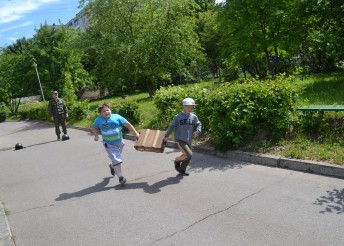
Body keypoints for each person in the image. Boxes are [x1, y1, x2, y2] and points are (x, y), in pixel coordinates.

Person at [92, 103, 140, 186]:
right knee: (116, 158)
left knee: (116, 158)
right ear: (100, 113)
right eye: (104, 111)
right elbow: (94, 127)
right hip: (108, 143)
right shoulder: (98, 120)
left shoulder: (116, 117)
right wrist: (96, 135)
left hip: (119, 142)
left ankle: (112, 165)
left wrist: (136, 134)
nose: (106, 112)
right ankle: (121, 177)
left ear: (110, 110)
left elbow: (127, 124)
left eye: (108, 110)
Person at [164, 98, 202, 176]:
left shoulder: (193, 117)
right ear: (184, 106)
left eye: (192, 107)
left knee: (189, 157)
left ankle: (182, 170)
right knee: (189, 154)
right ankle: (177, 160)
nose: (190, 109)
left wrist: (198, 131)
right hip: (180, 139)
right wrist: (166, 135)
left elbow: (199, 124)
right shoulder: (178, 117)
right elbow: (171, 126)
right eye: (189, 107)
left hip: (189, 140)